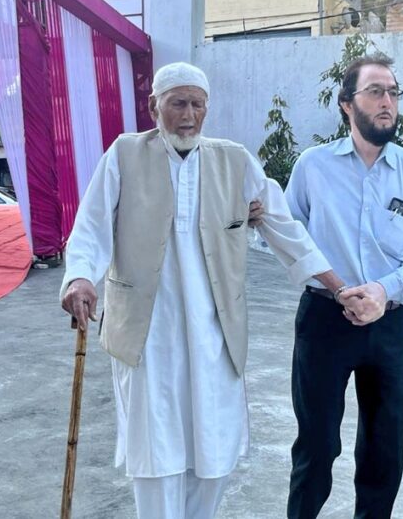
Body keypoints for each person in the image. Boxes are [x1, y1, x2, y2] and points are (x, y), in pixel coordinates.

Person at [60, 62, 380, 519]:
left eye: (197, 104)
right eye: (177, 104)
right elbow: (90, 227)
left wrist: (338, 286)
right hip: (147, 336)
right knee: (155, 451)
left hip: (215, 334)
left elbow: (284, 227)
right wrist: (80, 277)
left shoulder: (234, 159)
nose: (188, 115)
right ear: (154, 107)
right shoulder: (125, 154)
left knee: (211, 451)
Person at [284, 54, 403, 518]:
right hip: (324, 321)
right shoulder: (313, 166)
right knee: (316, 446)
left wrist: (383, 291)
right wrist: (337, 289)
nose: (387, 102)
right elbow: (289, 236)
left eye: (393, 92)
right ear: (346, 105)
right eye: (375, 92)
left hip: (389, 325)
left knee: (384, 446)